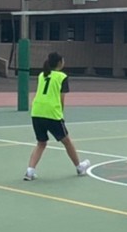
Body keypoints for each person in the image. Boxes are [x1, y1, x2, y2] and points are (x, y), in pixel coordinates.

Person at [24, 51, 91, 180]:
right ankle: (79, 167)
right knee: (67, 141)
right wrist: (61, 113)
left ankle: (30, 171)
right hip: (52, 112)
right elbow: (61, 98)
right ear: (60, 63)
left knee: (41, 143)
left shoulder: (42, 75)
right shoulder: (62, 76)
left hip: (37, 111)